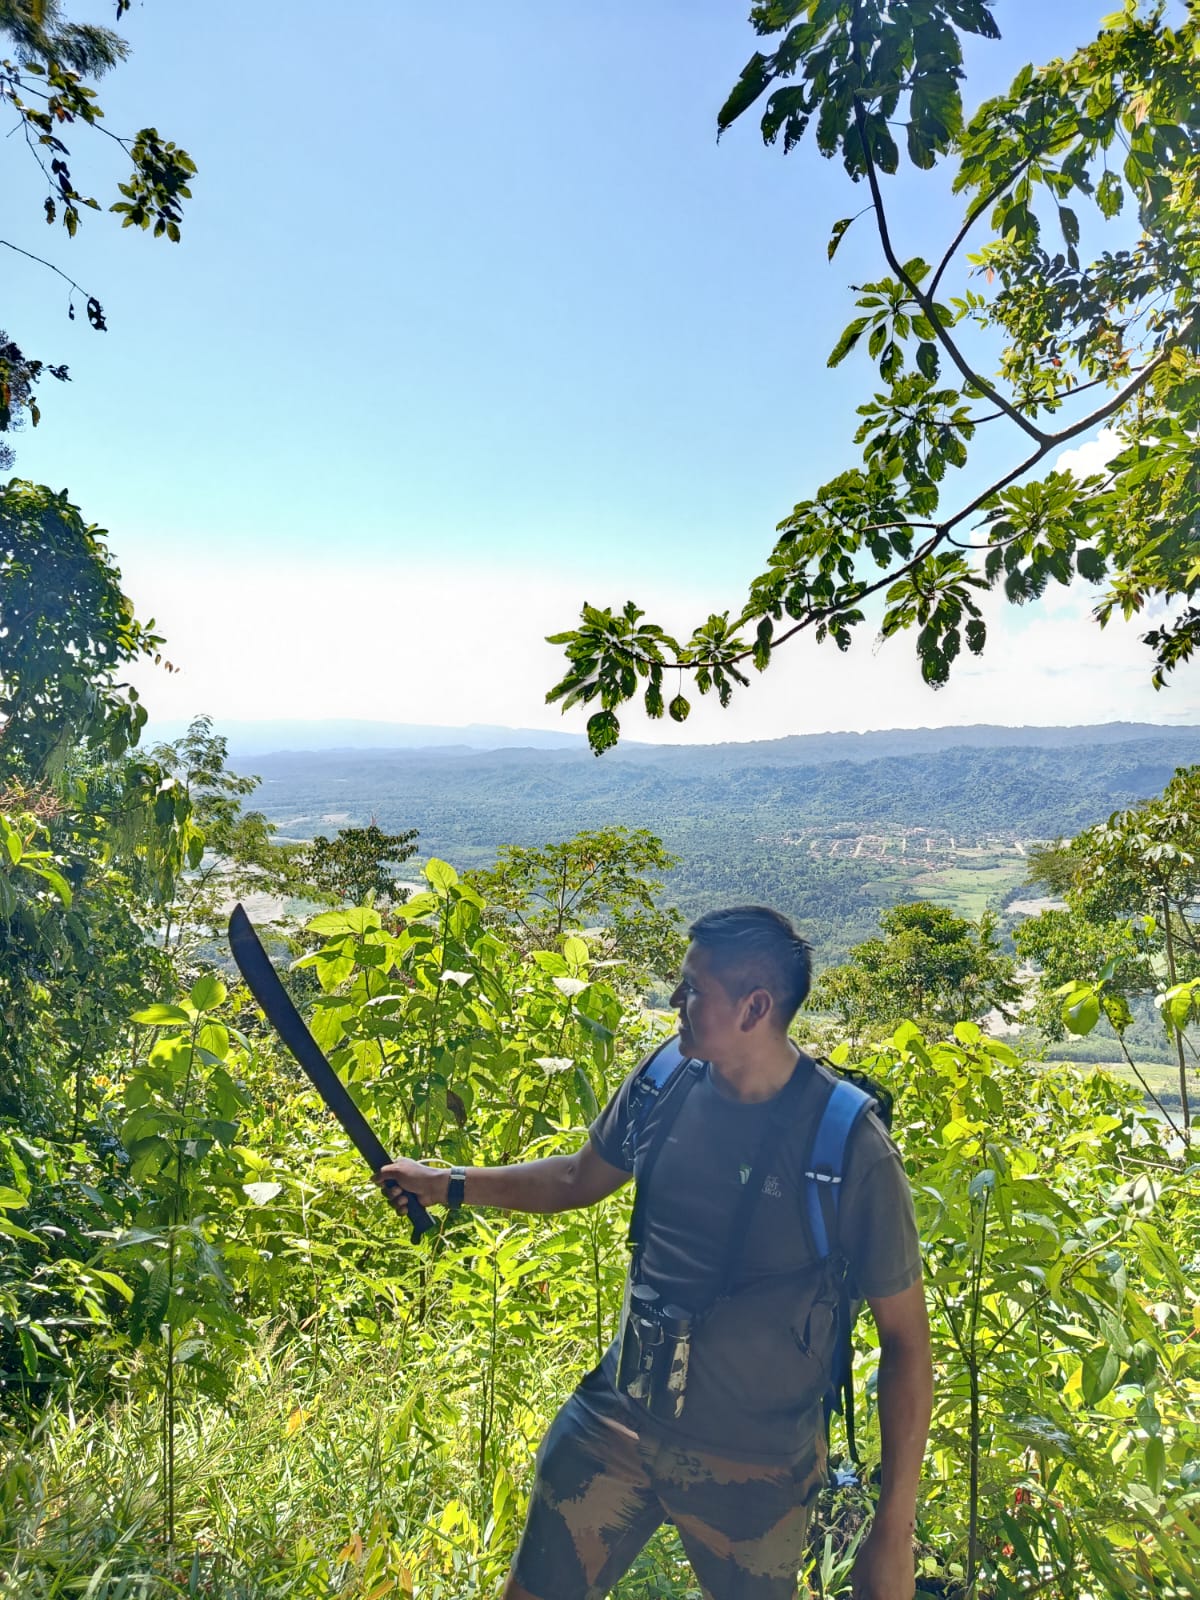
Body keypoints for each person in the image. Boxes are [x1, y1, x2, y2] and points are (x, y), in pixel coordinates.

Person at [376, 905, 932, 1600]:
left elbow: (906, 1342)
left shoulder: (847, 1145)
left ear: (755, 1007)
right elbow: (579, 1177)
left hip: (756, 1464)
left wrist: (893, 1526)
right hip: (619, 1420)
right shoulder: (664, 1081)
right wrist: (447, 1184)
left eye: (693, 989)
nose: (675, 1002)